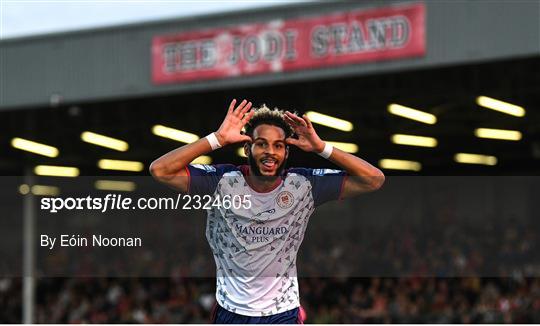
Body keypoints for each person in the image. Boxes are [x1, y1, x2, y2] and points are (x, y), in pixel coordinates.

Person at [150, 99, 385, 323]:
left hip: (282, 313)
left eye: (278, 145)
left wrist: (321, 147)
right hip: (231, 313)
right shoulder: (220, 182)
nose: (270, 151)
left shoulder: (304, 185)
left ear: (286, 153)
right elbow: (160, 170)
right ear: (247, 148)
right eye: (261, 143)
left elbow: (373, 180)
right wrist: (217, 139)